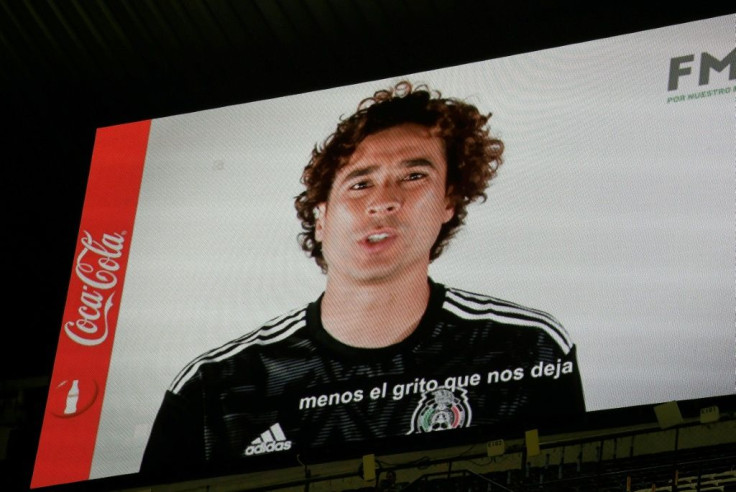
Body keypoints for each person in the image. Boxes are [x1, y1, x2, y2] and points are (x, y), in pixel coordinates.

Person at [140, 81, 585, 475]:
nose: (384, 202)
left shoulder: (528, 347)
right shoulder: (213, 387)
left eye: (413, 176)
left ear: (449, 201)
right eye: (359, 183)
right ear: (321, 216)